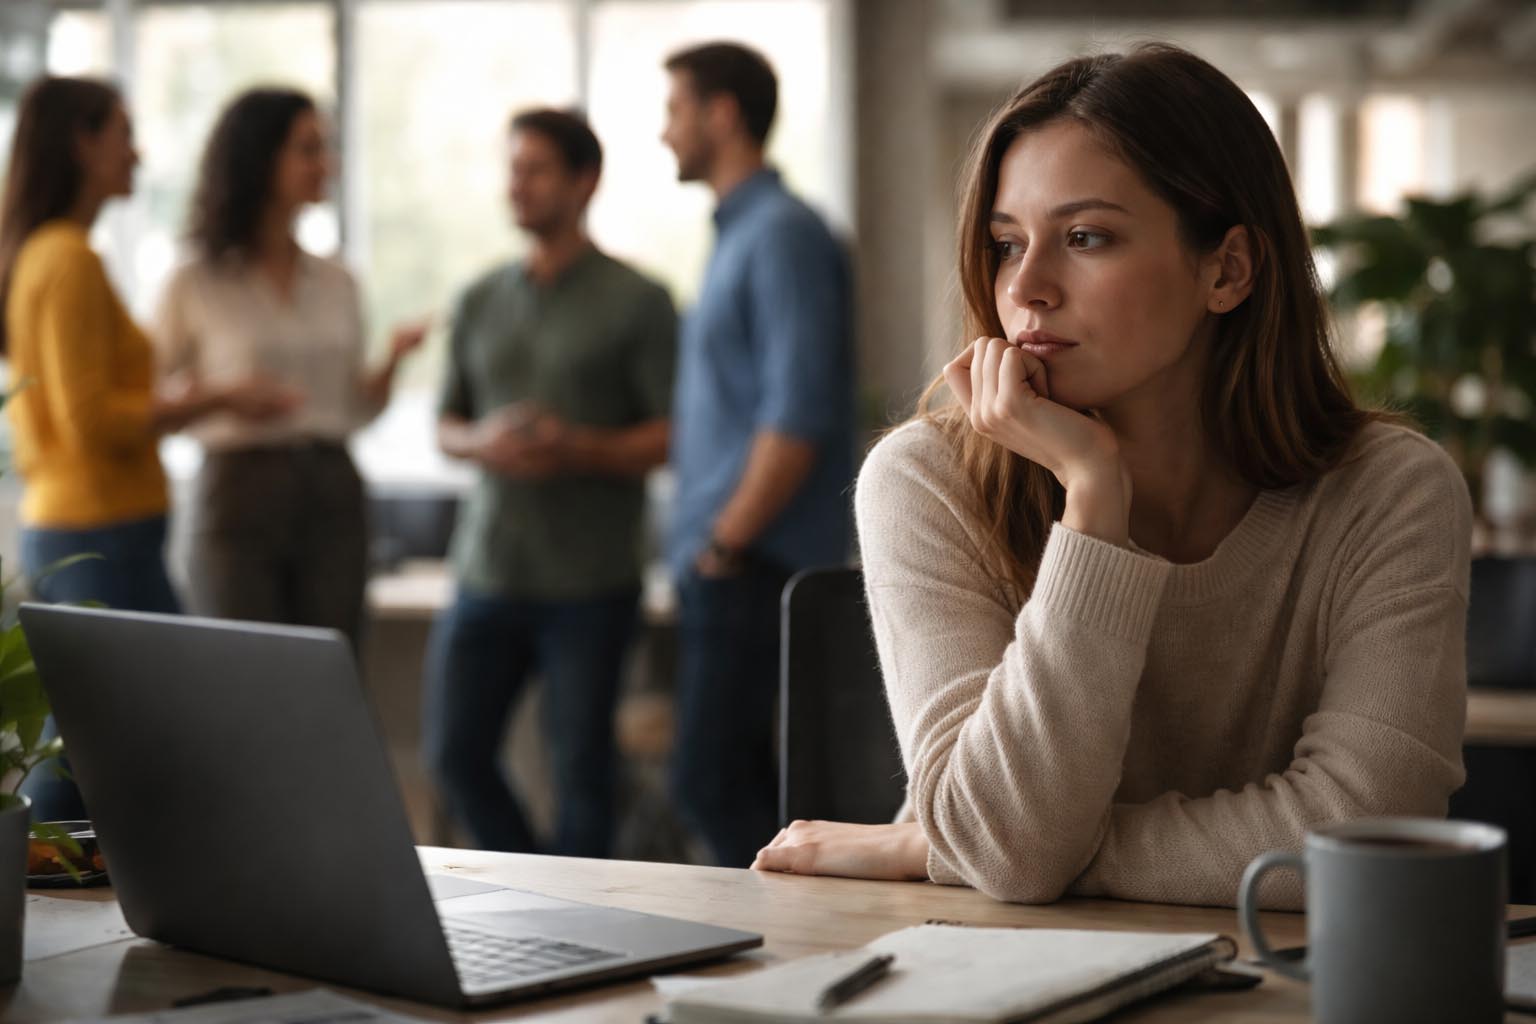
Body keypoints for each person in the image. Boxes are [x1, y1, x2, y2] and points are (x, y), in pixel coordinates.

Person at [750, 44, 1470, 911]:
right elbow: (1010, 854)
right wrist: (1093, 498)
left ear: (1228, 269)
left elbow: (1371, 827)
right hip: (979, 973)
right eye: (1007, 243)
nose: (1028, 289)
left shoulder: (1388, 491)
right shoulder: (924, 479)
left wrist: (944, 847)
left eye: (1086, 237)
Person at [0, 76, 291, 819]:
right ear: (82, 142)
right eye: (124, 133)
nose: (138, 150)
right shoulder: (66, 259)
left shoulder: (49, 253)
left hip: (96, 525)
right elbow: (90, 420)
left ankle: (57, 882)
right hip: (99, 530)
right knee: (108, 735)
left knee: (105, 730)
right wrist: (215, 396)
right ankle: (35, 876)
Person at [423, 108, 676, 857]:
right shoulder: (477, 299)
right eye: (512, 169)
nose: (517, 186)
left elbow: (672, 436)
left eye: (535, 170)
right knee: (453, 756)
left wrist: (576, 447)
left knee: (582, 778)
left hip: (591, 583)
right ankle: (538, 882)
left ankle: (583, 933)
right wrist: (483, 443)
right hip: (487, 573)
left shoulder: (640, 301)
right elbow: (445, 426)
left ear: (584, 181)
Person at [660, 42, 855, 868]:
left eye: (674, 109)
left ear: (722, 114)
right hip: (735, 561)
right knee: (731, 778)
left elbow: (798, 411)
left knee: (711, 781)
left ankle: (786, 951)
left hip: (754, 562)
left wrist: (725, 541)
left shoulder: (780, 235)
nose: (663, 131)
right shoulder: (743, 233)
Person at [154, 88, 426, 650]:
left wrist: (392, 363)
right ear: (259, 157)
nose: (327, 164)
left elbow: (352, 407)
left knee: (331, 677)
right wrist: (225, 397)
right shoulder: (194, 281)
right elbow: (148, 404)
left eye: (325, 148)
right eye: (309, 149)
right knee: (240, 679)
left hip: (332, 489)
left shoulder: (338, 281)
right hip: (236, 491)